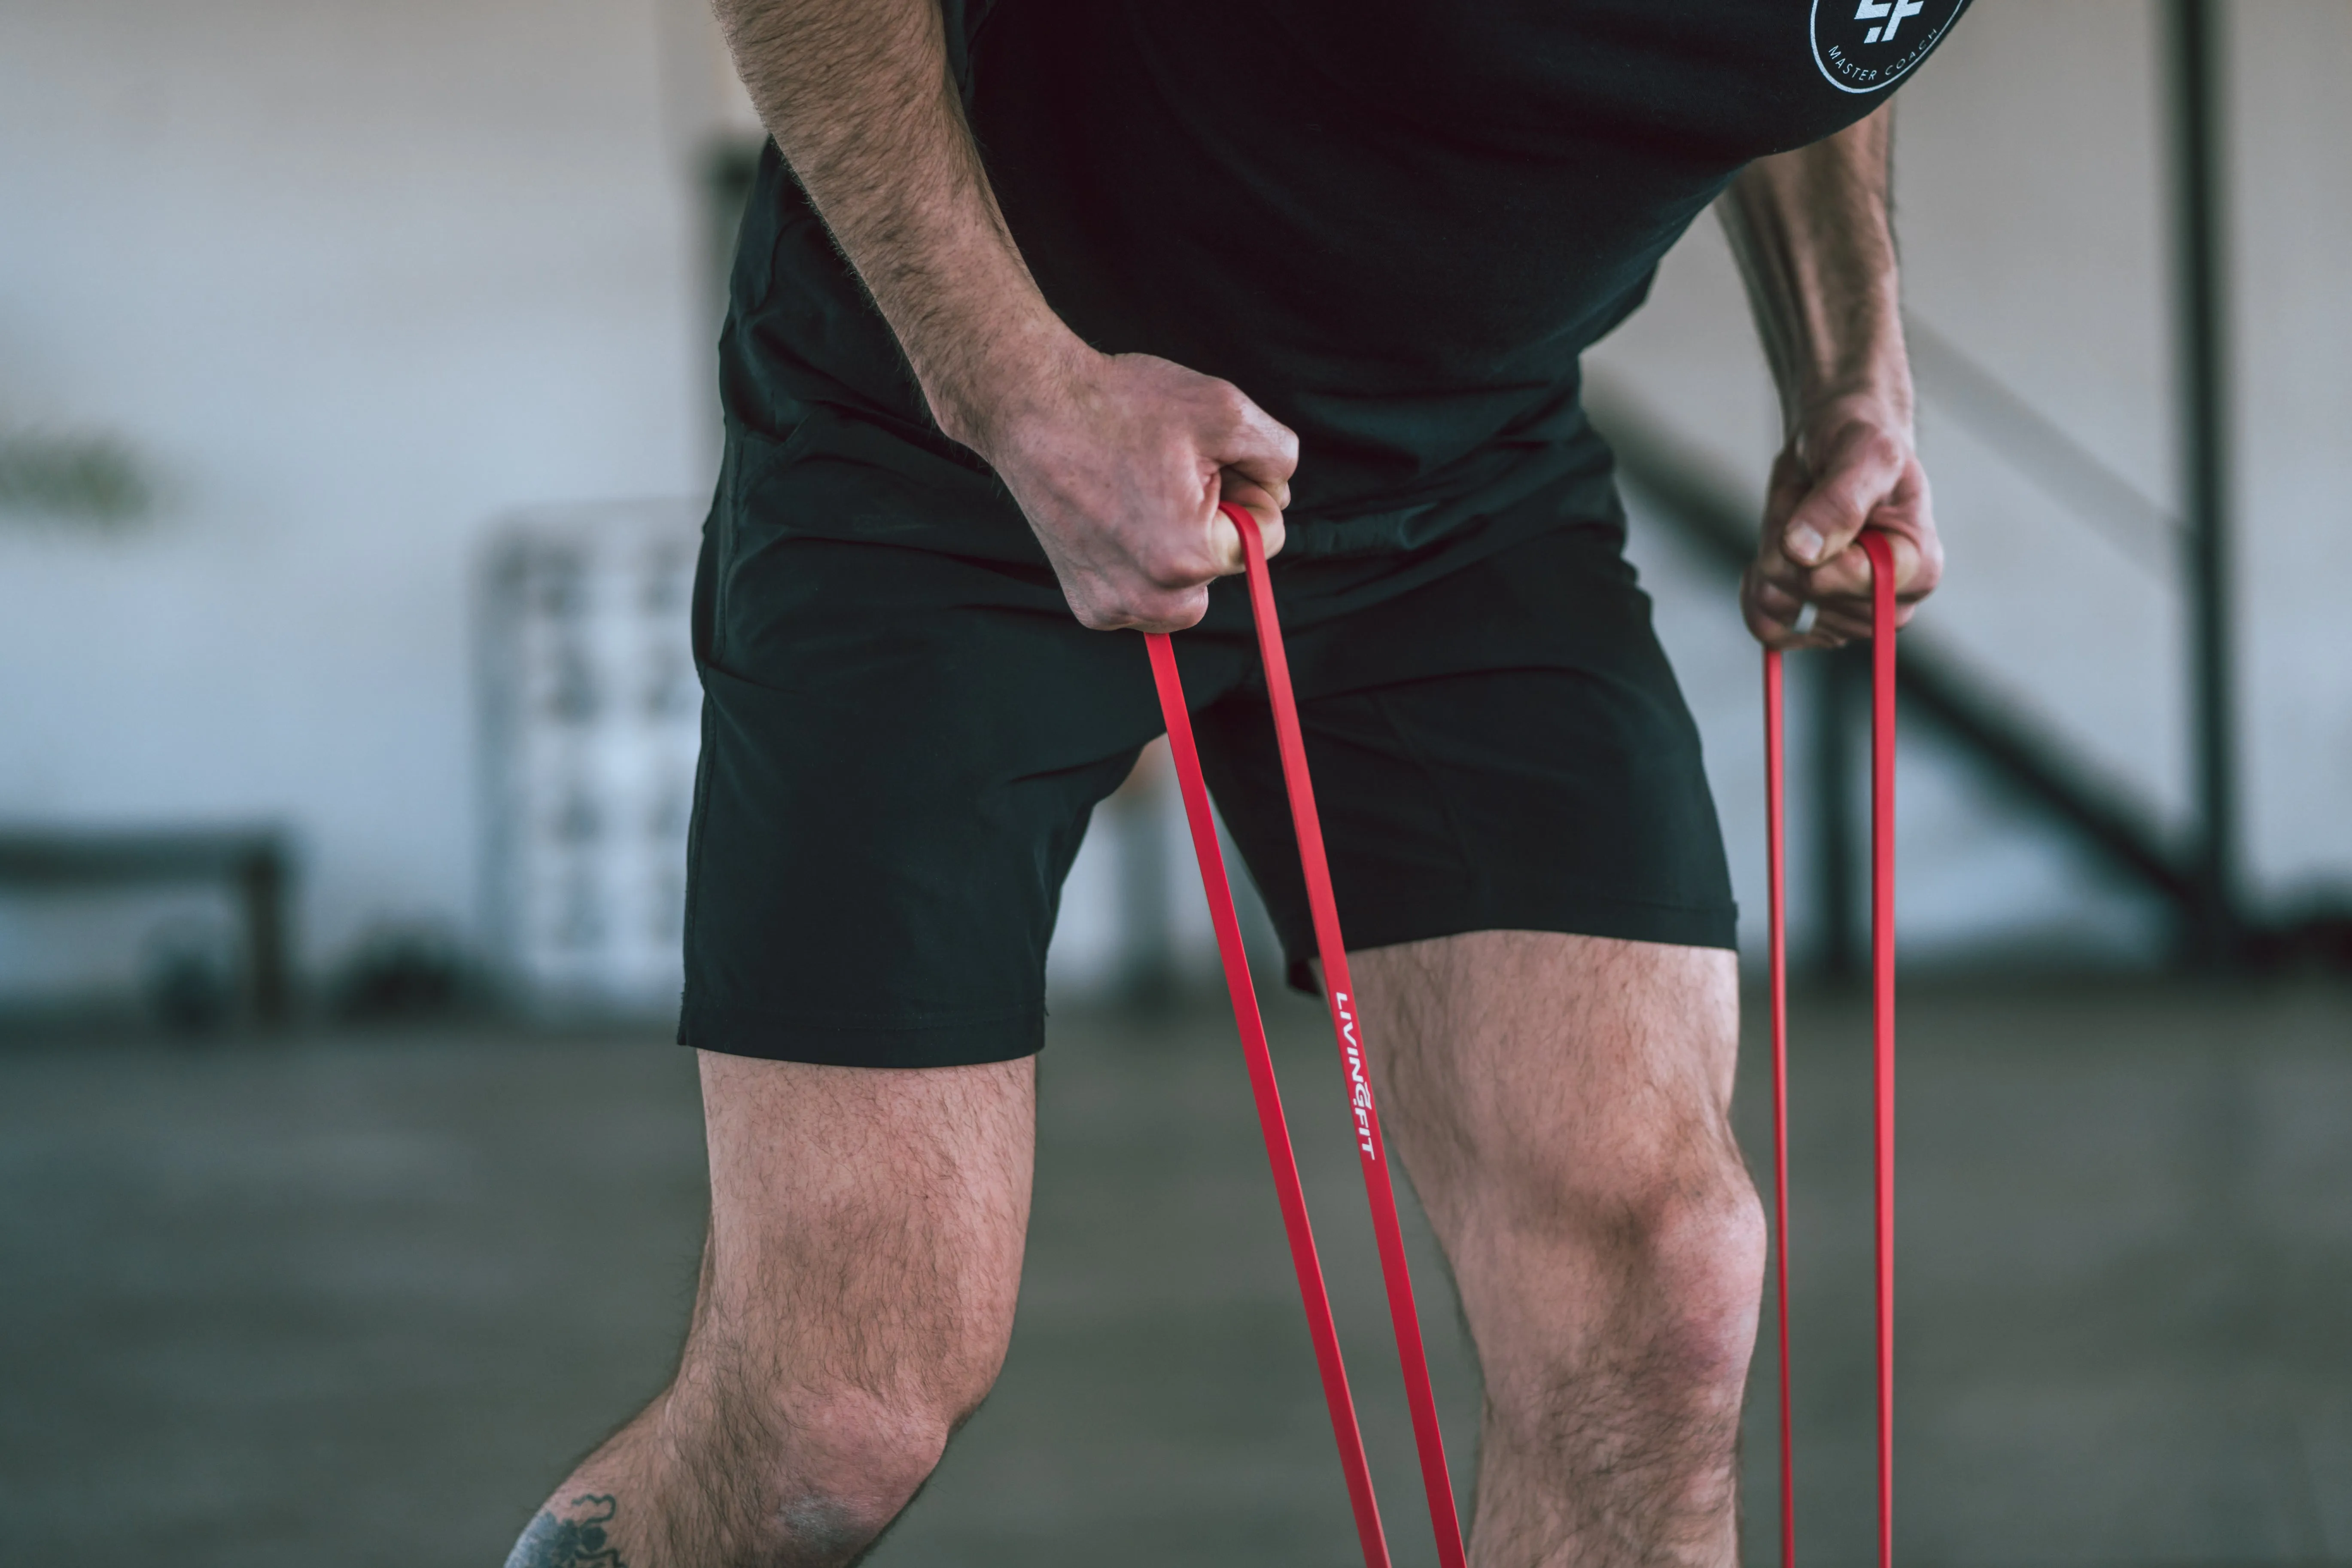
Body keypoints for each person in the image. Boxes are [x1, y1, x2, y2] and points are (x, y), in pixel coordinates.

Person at [508, 0, 1960, 1562]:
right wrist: (1015, 391)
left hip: (1462, 477)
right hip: (962, 436)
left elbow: (1824, 37)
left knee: (1658, 1289)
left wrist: (1848, 365)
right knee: (834, 1415)